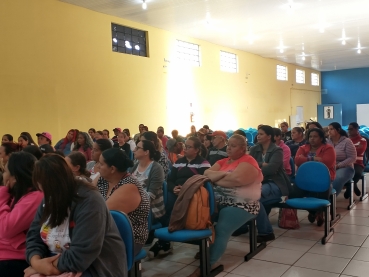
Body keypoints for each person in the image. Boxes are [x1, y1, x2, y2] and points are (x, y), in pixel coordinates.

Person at [25, 154, 127, 277]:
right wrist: (35, 261)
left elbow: (81, 255)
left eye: (47, 188)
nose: (46, 195)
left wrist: (46, 268)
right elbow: (34, 235)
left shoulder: (90, 201)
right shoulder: (50, 197)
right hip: (61, 262)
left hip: (95, 266)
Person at [188, 134, 261, 277]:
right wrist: (225, 175)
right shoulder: (223, 161)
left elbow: (237, 180)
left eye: (233, 146)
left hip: (243, 205)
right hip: (218, 202)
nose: (229, 148)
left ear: (243, 148)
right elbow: (206, 174)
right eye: (229, 145)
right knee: (197, 217)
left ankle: (208, 264)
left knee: (221, 229)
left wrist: (217, 177)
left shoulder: (248, 160)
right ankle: (206, 249)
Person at [149, 137, 211, 258]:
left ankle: (164, 242)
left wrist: (185, 189)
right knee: (166, 208)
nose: (185, 149)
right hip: (177, 191)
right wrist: (173, 188)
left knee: (174, 207)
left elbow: (204, 181)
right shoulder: (179, 162)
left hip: (194, 192)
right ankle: (164, 241)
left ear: (197, 150)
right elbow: (170, 180)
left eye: (189, 147)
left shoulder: (203, 163)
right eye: (185, 146)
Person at [97, 148, 150, 255]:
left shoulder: (129, 186)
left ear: (112, 169)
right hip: (105, 235)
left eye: (101, 164)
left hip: (127, 239)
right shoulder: (103, 179)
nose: (97, 166)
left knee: (82, 253)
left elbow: (99, 215)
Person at [0, 152, 44, 277]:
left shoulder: (35, 197)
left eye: (5, 171)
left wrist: (2, 194)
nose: (3, 175)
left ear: (15, 177)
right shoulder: (17, 194)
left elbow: (5, 229)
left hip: (15, 259)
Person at [249, 125, 291, 242]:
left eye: (261, 134)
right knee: (249, 198)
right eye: (258, 134)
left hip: (275, 183)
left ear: (269, 136)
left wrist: (257, 166)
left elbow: (271, 169)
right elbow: (248, 165)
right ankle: (244, 226)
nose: (258, 136)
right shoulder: (254, 149)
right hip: (258, 182)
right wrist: (263, 164)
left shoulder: (277, 150)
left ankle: (266, 232)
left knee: (255, 198)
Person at [294, 128, 336, 225]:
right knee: (293, 194)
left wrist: (305, 159)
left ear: (321, 138)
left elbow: (326, 162)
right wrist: (314, 158)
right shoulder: (303, 148)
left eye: (315, 136)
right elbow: (297, 161)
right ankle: (313, 211)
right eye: (310, 137)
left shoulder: (328, 148)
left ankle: (318, 211)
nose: (312, 139)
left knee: (321, 195)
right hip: (305, 178)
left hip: (323, 179)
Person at [327, 122, 357, 198]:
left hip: (345, 168)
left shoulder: (347, 141)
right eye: (328, 129)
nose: (329, 131)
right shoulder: (327, 141)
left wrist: (338, 166)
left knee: (337, 178)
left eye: (331, 129)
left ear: (338, 130)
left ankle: (330, 200)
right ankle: (320, 199)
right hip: (330, 167)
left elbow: (352, 157)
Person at [348, 122, 367, 196]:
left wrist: (349, 150)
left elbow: (360, 151)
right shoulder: (346, 140)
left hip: (358, 163)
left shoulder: (363, 140)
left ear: (356, 129)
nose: (349, 131)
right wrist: (355, 147)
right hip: (347, 162)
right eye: (348, 129)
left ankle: (350, 188)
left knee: (357, 173)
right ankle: (353, 186)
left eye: (351, 129)